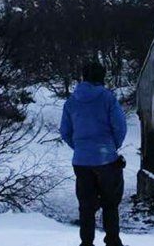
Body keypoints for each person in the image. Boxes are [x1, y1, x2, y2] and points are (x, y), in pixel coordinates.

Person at [60, 62, 127, 246]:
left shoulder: (71, 101)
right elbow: (120, 127)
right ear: (102, 77)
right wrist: (112, 146)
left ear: (83, 76)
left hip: (81, 162)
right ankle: (113, 241)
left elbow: (65, 131)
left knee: (86, 206)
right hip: (106, 160)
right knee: (110, 203)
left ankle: (86, 242)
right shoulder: (108, 98)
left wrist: (80, 148)